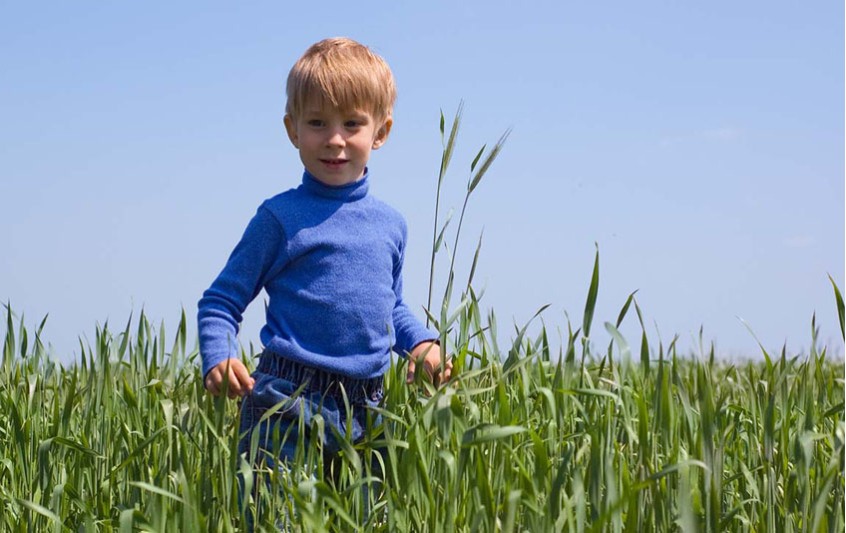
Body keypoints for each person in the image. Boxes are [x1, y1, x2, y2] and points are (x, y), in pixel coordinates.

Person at [197, 36, 451, 520]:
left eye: (352, 123)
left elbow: (388, 306)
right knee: (277, 521)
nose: (335, 139)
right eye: (317, 123)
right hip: (286, 404)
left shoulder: (391, 224)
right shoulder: (279, 218)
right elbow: (220, 302)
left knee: (366, 520)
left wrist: (421, 343)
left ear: (381, 131)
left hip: (369, 408)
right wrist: (219, 354)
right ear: (292, 130)